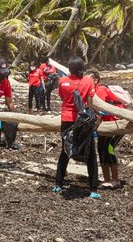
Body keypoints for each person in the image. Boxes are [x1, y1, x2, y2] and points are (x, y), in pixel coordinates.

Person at [53, 56, 100, 198]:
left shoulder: (62, 81)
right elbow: (90, 102)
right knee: (90, 153)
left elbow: (62, 97)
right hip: (83, 121)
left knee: (65, 151)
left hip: (67, 119)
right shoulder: (88, 80)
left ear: (69, 69)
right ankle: (93, 189)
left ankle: (58, 184)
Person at [89, 69, 125, 190]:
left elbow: (99, 113)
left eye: (88, 79)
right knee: (101, 149)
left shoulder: (100, 90)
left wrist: (93, 129)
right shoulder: (91, 91)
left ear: (95, 80)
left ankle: (115, 180)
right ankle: (106, 180)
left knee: (109, 148)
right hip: (106, 125)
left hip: (117, 123)